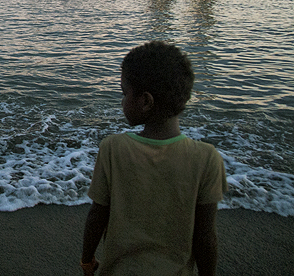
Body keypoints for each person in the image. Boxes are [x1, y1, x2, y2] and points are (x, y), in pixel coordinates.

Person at [80, 41, 228, 276]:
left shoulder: (113, 148)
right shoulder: (206, 158)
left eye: (124, 93)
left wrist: (87, 261)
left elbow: (97, 216)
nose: (122, 101)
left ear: (146, 101)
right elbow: (206, 236)